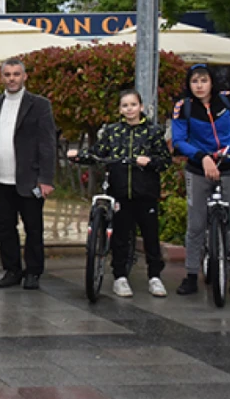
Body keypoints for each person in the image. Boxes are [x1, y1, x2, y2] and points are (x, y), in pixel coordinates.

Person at [68, 89, 172, 298]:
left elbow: (165, 160)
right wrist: (79, 156)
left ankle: (154, 277)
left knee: (151, 236)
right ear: (120, 110)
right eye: (125, 106)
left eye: (133, 105)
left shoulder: (153, 131)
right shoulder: (113, 131)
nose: (129, 109)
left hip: (146, 193)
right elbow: (99, 152)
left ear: (141, 107)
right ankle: (120, 277)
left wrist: (150, 161)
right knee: (120, 236)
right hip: (120, 192)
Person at [170, 64, 230, 297]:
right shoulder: (184, 107)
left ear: (212, 82)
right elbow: (179, 140)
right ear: (189, 84)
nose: (199, 86)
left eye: (204, 80)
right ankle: (191, 275)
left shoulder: (227, 100)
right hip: (198, 168)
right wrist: (201, 157)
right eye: (195, 81)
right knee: (196, 225)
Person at [0, 58, 57, 291]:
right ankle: (12, 269)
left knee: (33, 227)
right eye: (7, 74)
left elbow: (47, 143)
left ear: (24, 77)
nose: (11, 78)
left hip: (29, 179)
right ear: (2, 77)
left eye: (16, 74)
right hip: (1, 178)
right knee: (5, 227)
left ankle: (33, 271)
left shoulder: (39, 104)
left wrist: (46, 178)